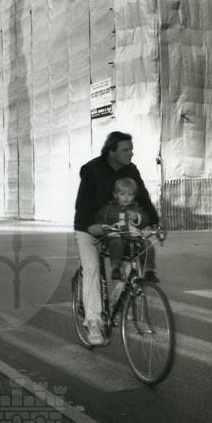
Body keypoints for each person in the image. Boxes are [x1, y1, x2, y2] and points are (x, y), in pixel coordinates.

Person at [74, 131, 160, 346]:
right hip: (89, 227)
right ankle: (93, 323)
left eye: (131, 149)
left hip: (118, 228)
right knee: (92, 268)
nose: (131, 153)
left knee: (133, 261)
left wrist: (155, 222)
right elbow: (82, 204)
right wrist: (90, 225)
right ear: (111, 151)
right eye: (126, 149)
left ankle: (118, 304)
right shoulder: (92, 169)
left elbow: (143, 198)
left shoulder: (131, 170)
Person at [94, 177, 155, 282]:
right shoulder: (109, 209)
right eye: (122, 194)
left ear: (134, 196)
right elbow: (99, 220)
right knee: (116, 241)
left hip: (134, 242)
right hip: (116, 240)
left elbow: (146, 220)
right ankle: (115, 268)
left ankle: (148, 271)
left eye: (130, 195)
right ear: (115, 195)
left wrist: (137, 217)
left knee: (147, 244)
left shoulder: (137, 208)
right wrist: (103, 229)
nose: (126, 198)